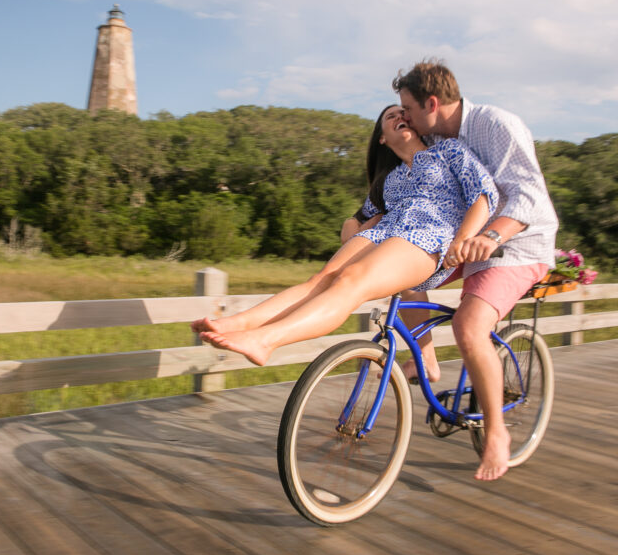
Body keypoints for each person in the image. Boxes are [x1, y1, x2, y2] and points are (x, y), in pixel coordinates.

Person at [192, 105, 498, 371]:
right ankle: (242, 323)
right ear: (381, 137)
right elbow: (361, 216)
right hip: (386, 233)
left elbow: (484, 194)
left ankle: (265, 339)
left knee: (350, 279)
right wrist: (351, 224)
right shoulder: (389, 180)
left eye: (403, 113)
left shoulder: (448, 152)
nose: (400, 117)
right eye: (391, 116)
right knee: (321, 278)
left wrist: (463, 238)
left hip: (430, 237)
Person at [392, 59, 559, 481]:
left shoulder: (496, 125)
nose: (405, 118)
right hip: (461, 241)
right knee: (401, 281)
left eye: (408, 108)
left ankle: (497, 433)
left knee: (469, 326)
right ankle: (425, 359)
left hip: (516, 245)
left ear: (433, 103)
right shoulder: (435, 143)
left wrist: (493, 237)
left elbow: (529, 197)